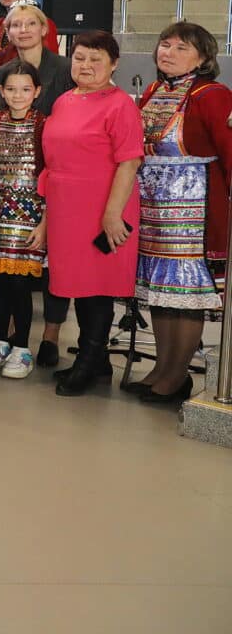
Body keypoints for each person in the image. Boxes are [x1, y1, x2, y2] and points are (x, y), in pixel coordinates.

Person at [128, 22, 232, 403]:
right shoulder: (154, 91)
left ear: (203, 58)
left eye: (181, 48)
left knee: (185, 292)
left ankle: (177, 374)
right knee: (162, 292)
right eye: (165, 45)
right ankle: (162, 368)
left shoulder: (213, 95)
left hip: (193, 210)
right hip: (154, 208)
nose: (168, 53)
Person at [43, 32, 143, 396]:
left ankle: (87, 364)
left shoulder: (121, 105)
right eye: (80, 58)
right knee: (78, 285)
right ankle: (96, 359)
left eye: (95, 59)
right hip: (66, 207)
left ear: (114, 64)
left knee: (98, 286)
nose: (85, 65)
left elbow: (129, 162)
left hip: (104, 206)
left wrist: (112, 215)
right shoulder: (65, 101)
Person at [0, 61, 47, 379]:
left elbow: (52, 173)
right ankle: (0, 340)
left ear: (37, 91)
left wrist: (45, 222)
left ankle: (22, 347)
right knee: (0, 282)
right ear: (2, 92)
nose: (18, 95)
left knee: (20, 285)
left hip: (30, 217)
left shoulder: (44, 125)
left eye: (25, 89)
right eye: (12, 89)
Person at [0, 0, 72, 116]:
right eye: (16, 25)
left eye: (31, 23)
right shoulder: (0, 74)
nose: (24, 30)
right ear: (8, 34)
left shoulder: (67, 68)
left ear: (43, 29)